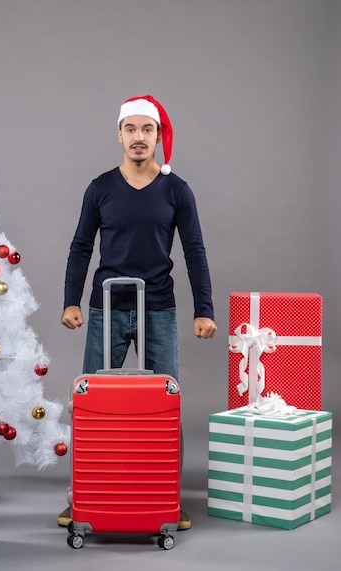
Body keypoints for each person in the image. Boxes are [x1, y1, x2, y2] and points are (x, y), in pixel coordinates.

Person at [58, 94, 217, 531]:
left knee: (166, 407)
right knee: (90, 406)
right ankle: (83, 496)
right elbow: (81, 247)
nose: (139, 138)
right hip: (106, 307)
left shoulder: (176, 190)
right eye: (131, 129)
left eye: (148, 130)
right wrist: (71, 301)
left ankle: (166, 496)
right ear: (119, 135)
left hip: (158, 309)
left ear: (158, 136)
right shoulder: (101, 188)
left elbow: (195, 252)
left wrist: (204, 309)